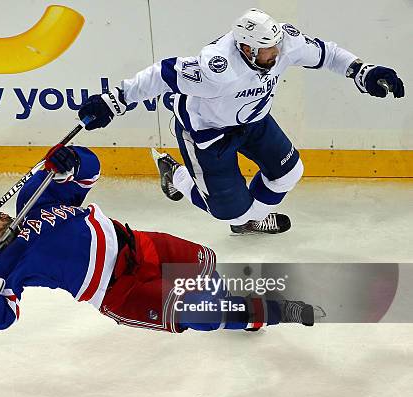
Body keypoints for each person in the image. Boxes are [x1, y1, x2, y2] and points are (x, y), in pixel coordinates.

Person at [77, 8, 405, 235]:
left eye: (276, 47)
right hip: (208, 134)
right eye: (267, 51)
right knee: (228, 213)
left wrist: (362, 71)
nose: (275, 55)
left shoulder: (282, 44)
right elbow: (161, 74)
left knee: (291, 172)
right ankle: (175, 175)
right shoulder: (217, 68)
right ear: (246, 47)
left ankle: (252, 220)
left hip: (255, 121)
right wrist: (116, 98)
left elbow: (327, 54)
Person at [0, 144, 324, 333]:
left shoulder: (35, 196)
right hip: (119, 292)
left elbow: (90, 169)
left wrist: (71, 161)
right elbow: (3, 317)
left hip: (137, 244)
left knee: (205, 263)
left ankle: (235, 305)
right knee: (198, 313)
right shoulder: (1, 267)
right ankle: (267, 313)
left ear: (1, 214)